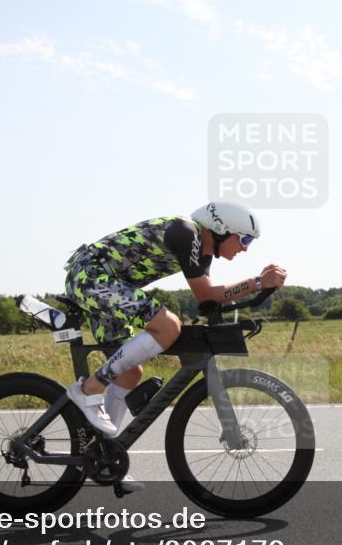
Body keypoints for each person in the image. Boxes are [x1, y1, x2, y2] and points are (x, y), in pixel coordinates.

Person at [62, 202, 287, 492]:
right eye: (244, 239)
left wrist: (257, 289)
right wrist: (257, 282)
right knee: (168, 326)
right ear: (221, 230)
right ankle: (88, 388)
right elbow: (206, 293)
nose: (244, 248)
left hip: (107, 284)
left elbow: (207, 300)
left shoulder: (201, 252)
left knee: (130, 374)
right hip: (91, 278)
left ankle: (106, 457)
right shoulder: (186, 233)